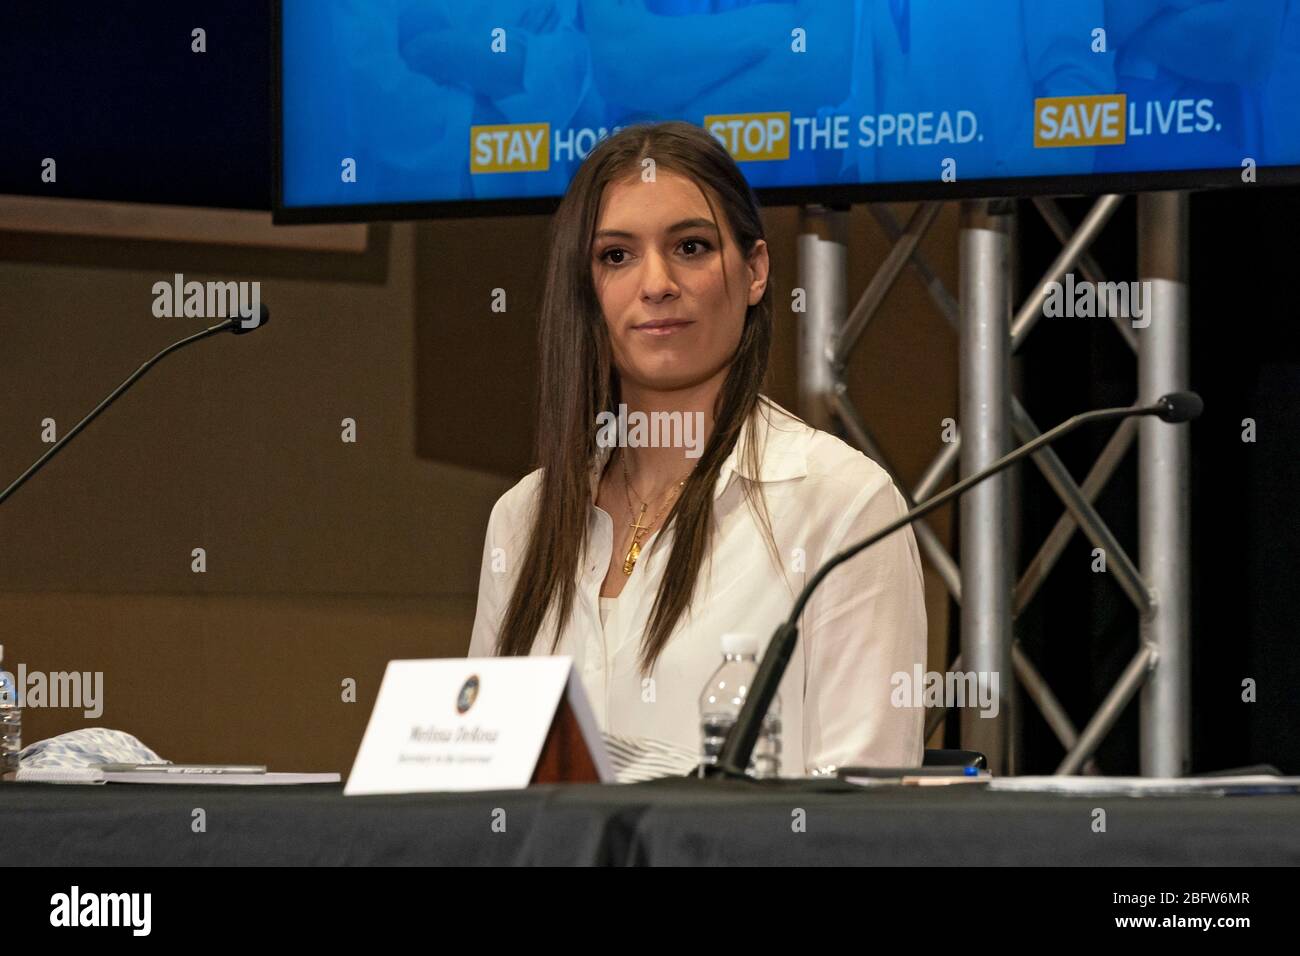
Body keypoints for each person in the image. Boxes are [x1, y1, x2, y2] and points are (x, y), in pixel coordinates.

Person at [469, 120, 927, 777]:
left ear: (756, 272)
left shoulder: (843, 505)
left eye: (690, 247)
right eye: (616, 256)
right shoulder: (523, 516)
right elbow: (479, 781)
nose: (656, 283)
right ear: (585, 291)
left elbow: (867, 816)